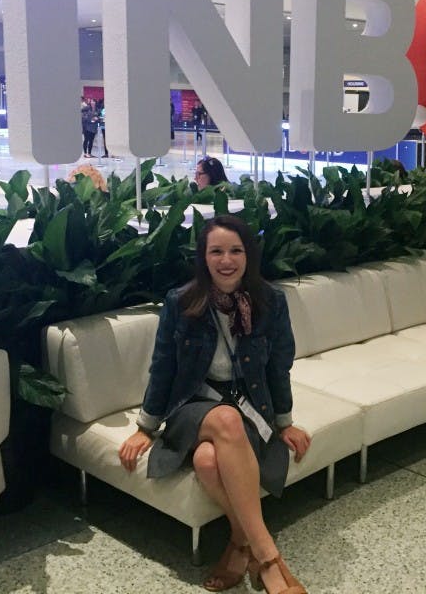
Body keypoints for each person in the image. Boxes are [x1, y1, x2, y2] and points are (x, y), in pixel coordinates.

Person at [119, 216, 310, 594]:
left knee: (208, 460)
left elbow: (278, 366)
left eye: (236, 250)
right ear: (203, 258)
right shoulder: (181, 302)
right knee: (224, 419)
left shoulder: (270, 301)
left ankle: (240, 545)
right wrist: (146, 427)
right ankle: (269, 559)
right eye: (216, 251)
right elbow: (163, 366)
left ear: (248, 256)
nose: (226, 260)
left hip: (249, 404)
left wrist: (285, 421)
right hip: (192, 405)